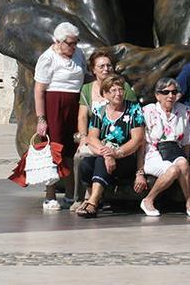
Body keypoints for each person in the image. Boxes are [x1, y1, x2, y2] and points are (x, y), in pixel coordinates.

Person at [73, 50, 137, 208]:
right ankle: (79, 197)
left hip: (118, 140)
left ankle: (94, 200)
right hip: (93, 137)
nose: (106, 69)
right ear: (93, 69)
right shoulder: (87, 89)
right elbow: (82, 117)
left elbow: (131, 113)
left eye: (109, 65)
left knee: (101, 160)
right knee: (80, 157)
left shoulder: (123, 87)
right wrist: (83, 137)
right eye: (101, 66)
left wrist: (110, 151)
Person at [76, 75, 146, 218]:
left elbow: (137, 139)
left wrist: (116, 153)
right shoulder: (100, 110)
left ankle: (93, 202)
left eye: (120, 89)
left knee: (100, 161)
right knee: (86, 164)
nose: (118, 93)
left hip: (125, 156)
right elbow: (92, 137)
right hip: (105, 153)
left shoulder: (133, 109)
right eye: (113, 90)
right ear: (105, 94)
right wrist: (107, 153)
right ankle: (94, 198)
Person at [34, 22, 85, 211]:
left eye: (75, 43)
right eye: (70, 43)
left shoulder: (79, 55)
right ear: (58, 41)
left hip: (75, 103)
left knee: (72, 148)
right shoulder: (48, 58)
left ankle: (72, 194)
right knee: (53, 150)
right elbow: (39, 90)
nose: (73, 47)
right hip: (54, 103)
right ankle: (50, 195)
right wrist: (42, 118)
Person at [139, 78, 190, 217]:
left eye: (174, 92)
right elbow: (141, 144)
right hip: (153, 153)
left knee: (183, 163)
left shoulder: (184, 111)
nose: (170, 96)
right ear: (157, 95)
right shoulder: (147, 111)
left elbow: (186, 141)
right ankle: (148, 200)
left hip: (174, 151)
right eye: (166, 92)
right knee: (174, 170)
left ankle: (189, 203)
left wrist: (187, 167)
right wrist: (139, 172)